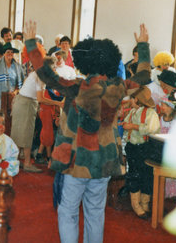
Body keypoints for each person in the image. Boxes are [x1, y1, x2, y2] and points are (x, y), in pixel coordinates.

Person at [25, 21, 151, 243]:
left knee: (68, 212)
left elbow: (45, 74)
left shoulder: (76, 86)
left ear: (85, 62)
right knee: (95, 212)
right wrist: (143, 45)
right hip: (103, 162)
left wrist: (31, 43)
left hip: (76, 162)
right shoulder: (119, 86)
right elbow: (143, 76)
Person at [10, 57, 62, 173]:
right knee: (26, 134)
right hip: (26, 104)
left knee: (19, 133)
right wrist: (58, 103)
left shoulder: (37, 73)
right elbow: (41, 98)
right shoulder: (41, 76)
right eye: (54, 67)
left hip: (23, 102)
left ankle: (13, 161)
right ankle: (27, 163)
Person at [123, 86, 160, 219]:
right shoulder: (132, 112)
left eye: (132, 98)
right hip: (132, 147)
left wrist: (133, 126)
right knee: (134, 174)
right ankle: (136, 205)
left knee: (146, 174)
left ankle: (145, 203)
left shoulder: (151, 113)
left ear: (136, 99)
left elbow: (153, 128)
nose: (130, 100)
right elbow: (126, 122)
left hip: (145, 148)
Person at [0, 42, 24, 110]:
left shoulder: (18, 67)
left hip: (14, 95)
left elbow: (20, 83)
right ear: (4, 53)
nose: (10, 54)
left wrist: (15, 92)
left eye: (11, 52)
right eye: (8, 52)